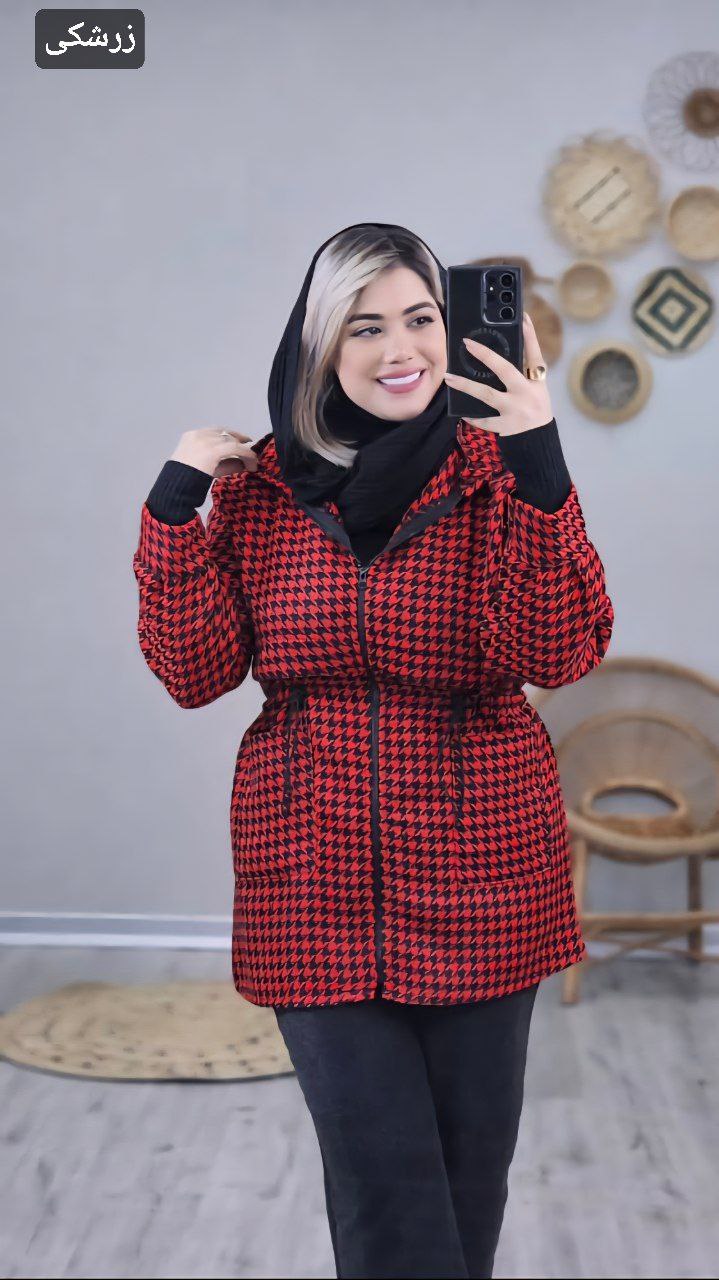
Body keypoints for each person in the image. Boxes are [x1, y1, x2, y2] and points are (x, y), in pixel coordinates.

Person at [133, 222, 615, 1278]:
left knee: (466, 1185)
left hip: (484, 881)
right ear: (319, 345)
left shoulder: (499, 474)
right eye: (364, 326)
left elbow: (556, 649)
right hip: (311, 881)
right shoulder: (258, 489)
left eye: (420, 318)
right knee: (382, 1188)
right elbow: (194, 670)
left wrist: (539, 461)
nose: (400, 348)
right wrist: (173, 511)